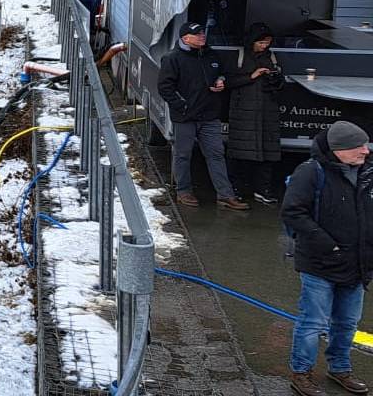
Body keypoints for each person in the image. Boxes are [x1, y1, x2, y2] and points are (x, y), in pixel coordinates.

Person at [282, 121, 373, 396]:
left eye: (366, 145)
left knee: (347, 323)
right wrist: (329, 246)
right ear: (338, 150)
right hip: (319, 264)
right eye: (358, 147)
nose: (366, 151)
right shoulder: (311, 172)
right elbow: (293, 212)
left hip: (356, 266)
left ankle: (340, 368)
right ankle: (302, 373)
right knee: (313, 323)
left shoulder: (368, 173)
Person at [158, 22, 249, 210]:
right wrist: (182, 106)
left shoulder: (210, 55)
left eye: (202, 33)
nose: (202, 36)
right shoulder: (172, 58)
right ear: (185, 38)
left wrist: (221, 81)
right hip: (185, 117)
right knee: (183, 155)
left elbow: (222, 73)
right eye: (197, 34)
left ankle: (225, 195)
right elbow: (165, 87)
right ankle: (183, 191)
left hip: (209, 115)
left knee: (216, 154)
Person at [226, 23, 285, 204]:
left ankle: (263, 189)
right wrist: (252, 76)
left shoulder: (272, 57)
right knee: (240, 153)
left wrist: (275, 78)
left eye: (267, 42)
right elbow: (228, 81)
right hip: (243, 112)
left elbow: (280, 85)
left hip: (267, 112)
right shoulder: (240, 56)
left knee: (267, 153)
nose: (264, 46)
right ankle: (236, 188)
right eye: (261, 42)